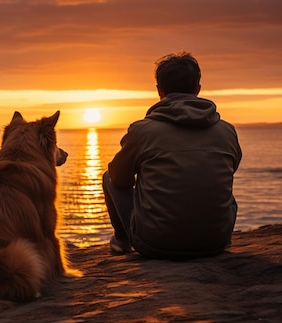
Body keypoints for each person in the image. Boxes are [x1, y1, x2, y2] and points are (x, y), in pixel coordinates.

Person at [103, 51, 242, 259]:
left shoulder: (142, 131)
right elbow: (231, 169)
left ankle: (122, 241)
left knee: (109, 176)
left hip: (156, 245)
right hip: (217, 242)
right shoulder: (227, 130)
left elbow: (120, 180)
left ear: (159, 90)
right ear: (198, 88)